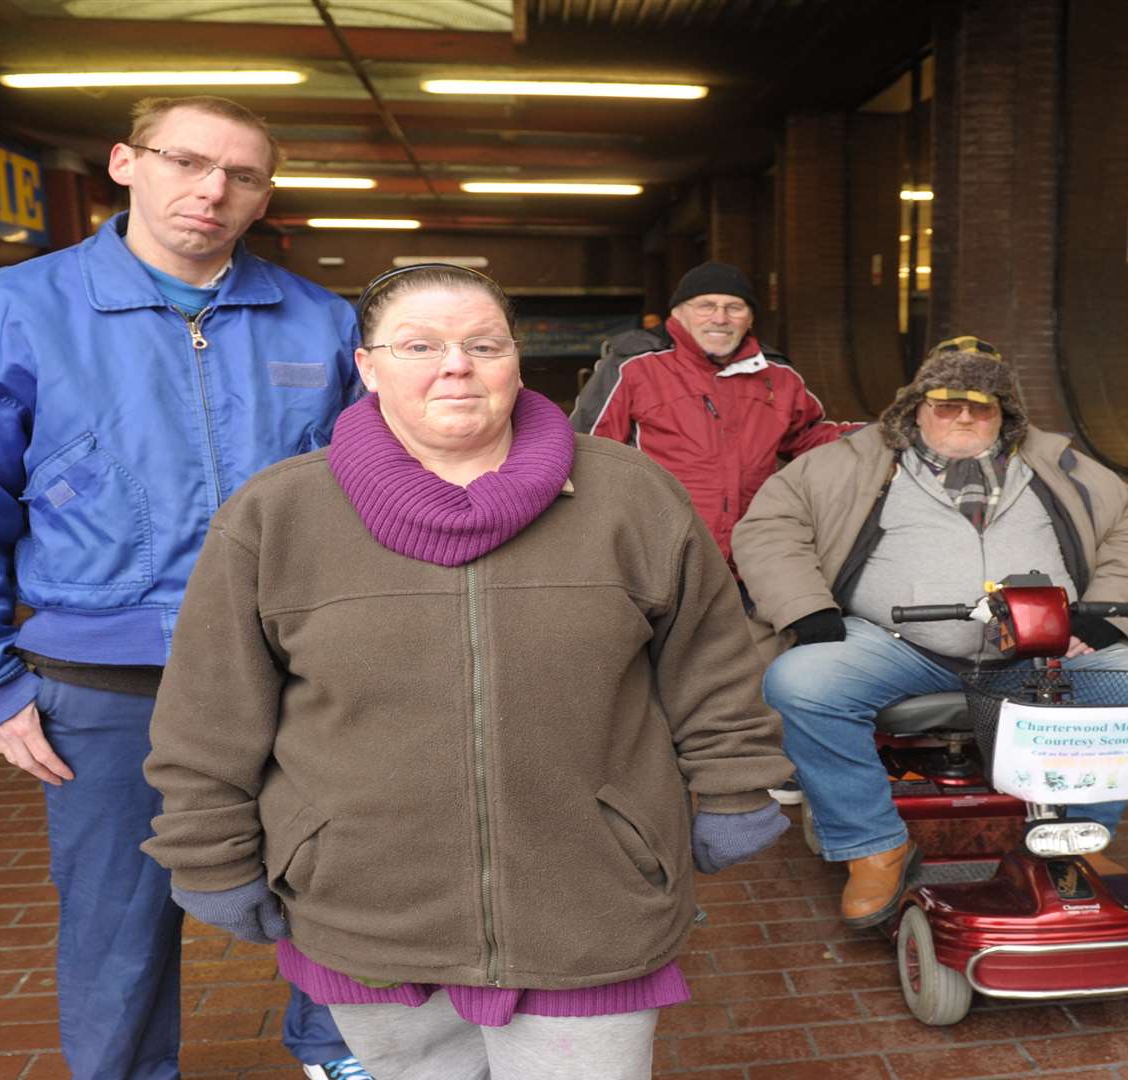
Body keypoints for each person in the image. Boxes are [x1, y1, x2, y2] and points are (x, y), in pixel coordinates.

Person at [140, 264, 792, 1080]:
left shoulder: (632, 499)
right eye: (420, 345)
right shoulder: (276, 517)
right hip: (366, 906)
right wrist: (208, 853)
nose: (457, 364)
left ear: (517, 362)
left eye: (483, 344)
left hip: (590, 904)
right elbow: (210, 711)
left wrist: (734, 785)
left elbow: (712, 665)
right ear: (367, 367)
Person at [0, 96, 368, 1080]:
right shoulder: (9, 315)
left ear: (265, 194)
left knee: (334, 875)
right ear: (124, 162)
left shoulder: (320, 322)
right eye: (186, 162)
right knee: (117, 915)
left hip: (295, 667)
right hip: (108, 680)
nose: (212, 192)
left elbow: (371, 492)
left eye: (243, 176)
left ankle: (339, 1053)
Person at [732, 337, 1128, 929]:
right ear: (916, 407)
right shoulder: (853, 460)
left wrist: (1101, 619)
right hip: (895, 646)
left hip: (1042, 649)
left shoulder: (1061, 463)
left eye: (982, 406)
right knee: (801, 681)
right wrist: (807, 611)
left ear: (1005, 413)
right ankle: (873, 845)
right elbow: (770, 527)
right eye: (947, 404)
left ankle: (1079, 832)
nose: (965, 417)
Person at [570, 260, 854, 565]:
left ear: (750, 318)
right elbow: (588, 449)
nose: (720, 318)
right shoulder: (636, 365)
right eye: (706, 305)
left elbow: (808, 436)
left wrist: (877, 435)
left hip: (751, 555)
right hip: (661, 552)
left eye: (735, 308)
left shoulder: (777, 374)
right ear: (678, 313)